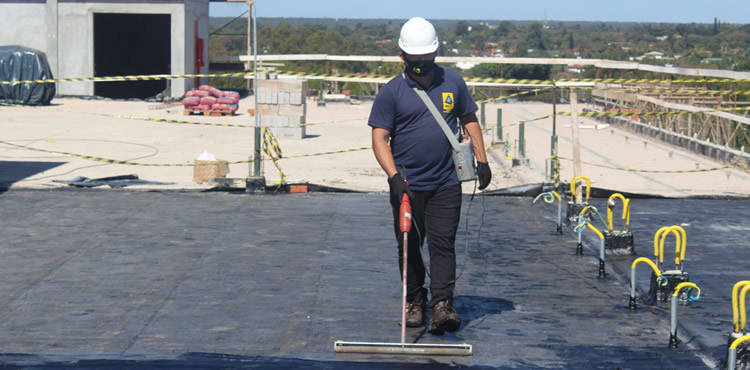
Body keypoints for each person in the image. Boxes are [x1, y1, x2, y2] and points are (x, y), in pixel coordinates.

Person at [368, 17, 492, 335]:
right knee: (409, 244)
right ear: (402, 57)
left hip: (446, 183)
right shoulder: (391, 93)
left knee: (442, 244)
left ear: (436, 54)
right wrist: (394, 177)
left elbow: (469, 120)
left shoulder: (453, 83)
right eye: (415, 60)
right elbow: (379, 138)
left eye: (426, 59)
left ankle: (441, 305)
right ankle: (415, 302)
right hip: (407, 185)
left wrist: (482, 160)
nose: (421, 65)